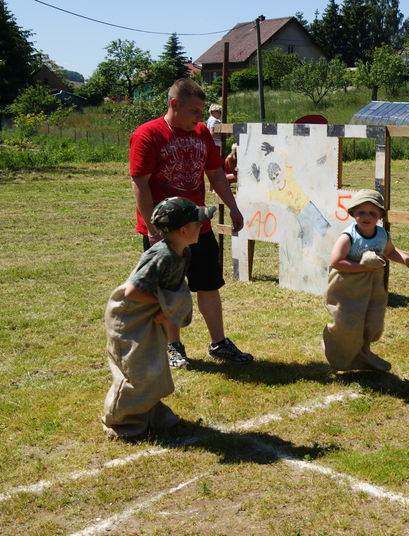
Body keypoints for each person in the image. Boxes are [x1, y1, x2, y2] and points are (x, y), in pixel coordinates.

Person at [129, 79, 253, 368]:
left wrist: (233, 206)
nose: (200, 117)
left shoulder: (201, 133)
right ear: (175, 104)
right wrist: (153, 230)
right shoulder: (148, 134)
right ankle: (173, 346)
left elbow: (216, 173)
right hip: (166, 233)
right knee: (169, 290)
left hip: (198, 228)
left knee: (209, 284)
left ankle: (219, 343)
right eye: (195, 111)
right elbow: (140, 183)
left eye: (201, 111)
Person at [102, 197, 216, 440]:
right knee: (136, 370)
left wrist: (168, 310)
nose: (201, 225)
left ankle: (149, 410)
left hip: (149, 316)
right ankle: (121, 421)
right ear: (183, 230)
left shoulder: (183, 252)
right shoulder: (161, 255)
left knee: (154, 364)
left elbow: (171, 287)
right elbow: (133, 292)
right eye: (197, 223)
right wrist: (166, 305)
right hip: (128, 318)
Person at [322, 189, 409, 372]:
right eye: (361, 212)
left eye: (373, 213)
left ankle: (363, 352)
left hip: (373, 286)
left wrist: (405, 259)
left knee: (372, 322)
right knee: (348, 323)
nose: (366, 217)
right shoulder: (348, 237)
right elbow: (336, 261)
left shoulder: (382, 234)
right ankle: (338, 352)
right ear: (353, 213)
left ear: (380, 215)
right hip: (348, 286)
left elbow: (390, 251)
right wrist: (363, 267)